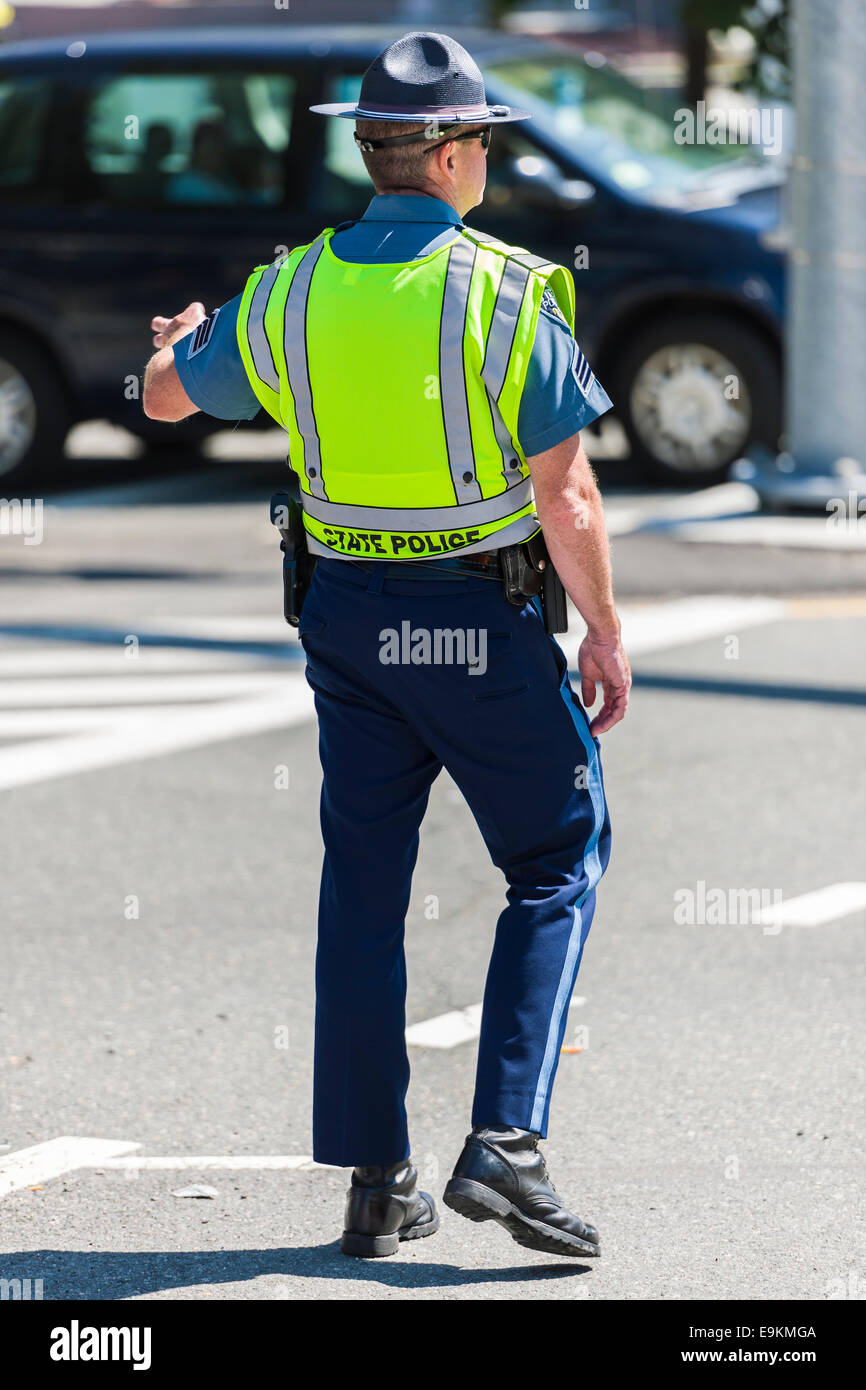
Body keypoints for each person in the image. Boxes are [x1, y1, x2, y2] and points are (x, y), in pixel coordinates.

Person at [142, 31, 631, 1261]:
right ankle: (506, 1147)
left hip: (348, 623)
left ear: (371, 149)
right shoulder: (509, 290)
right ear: (455, 153)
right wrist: (606, 636)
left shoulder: (289, 287)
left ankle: (378, 1182)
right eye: (483, 146)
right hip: (476, 618)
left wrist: (176, 341)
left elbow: (161, 397)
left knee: (363, 885)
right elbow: (564, 496)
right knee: (557, 851)